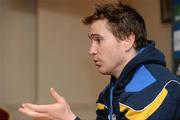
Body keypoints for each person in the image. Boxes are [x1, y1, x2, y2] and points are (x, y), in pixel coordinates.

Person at [18, 1, 180, 120]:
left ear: (127, 40)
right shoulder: (108, 93)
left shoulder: (157, 90)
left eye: (99, 40)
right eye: (91, 41)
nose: (91, 50)